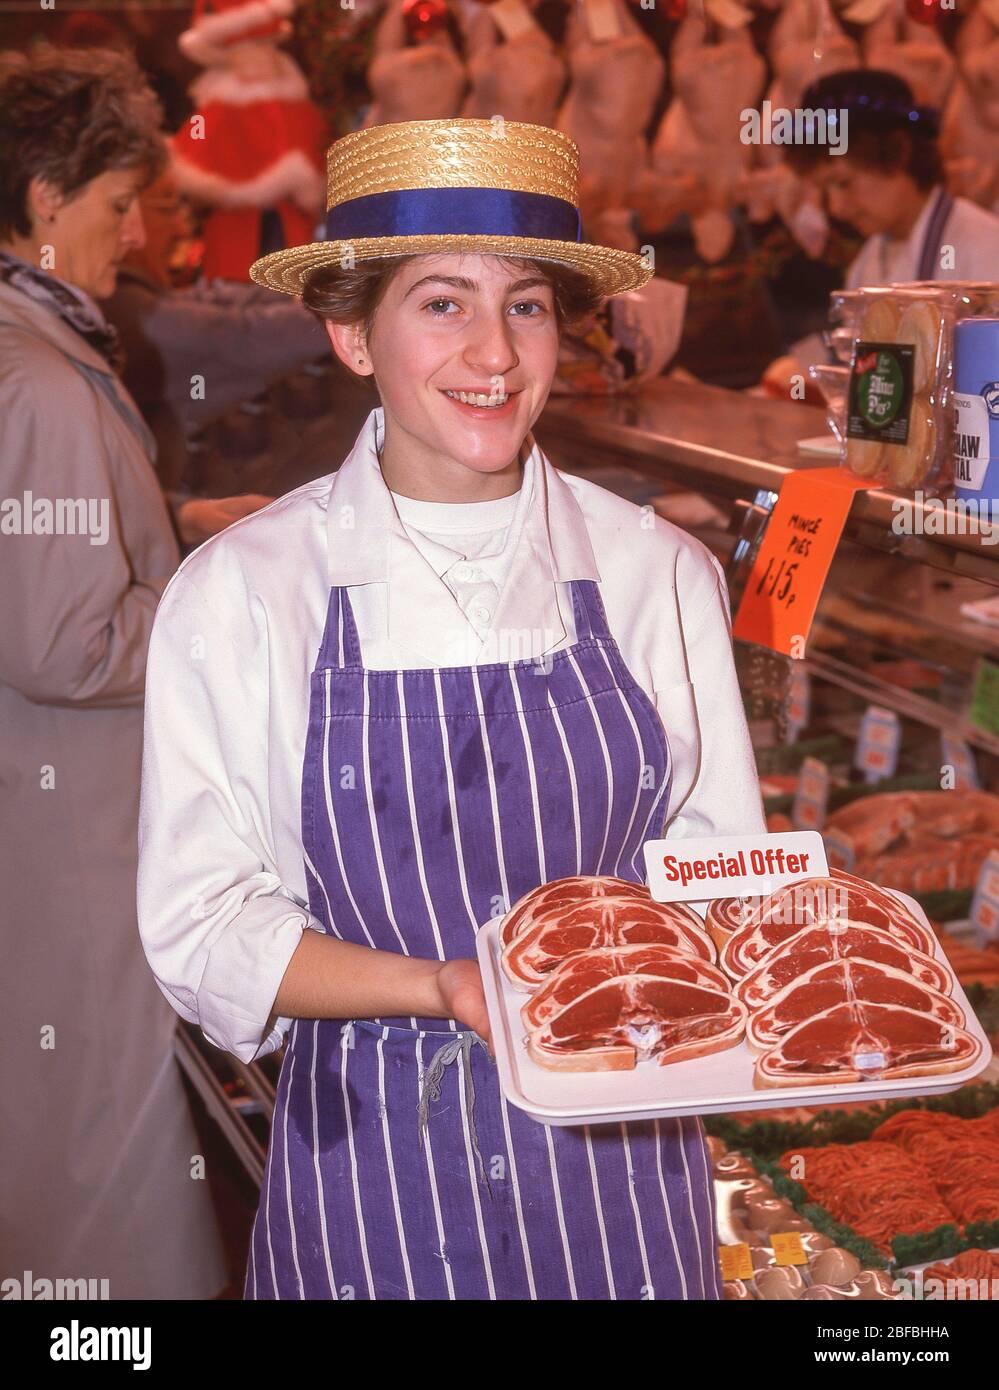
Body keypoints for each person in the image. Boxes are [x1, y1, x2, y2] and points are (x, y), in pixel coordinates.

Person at [137, 117, 765, 1301]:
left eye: (526, 304)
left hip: (622, 1156)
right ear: (348, 333)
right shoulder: (246, 593)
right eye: (440, 303)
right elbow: (204, 927)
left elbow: (716, 875)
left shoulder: (657, 573)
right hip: (371, 1159)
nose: (494, 351)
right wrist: (438, 986)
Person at [0, 43, 271, 1297]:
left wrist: (172, 512)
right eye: (119, 204)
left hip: (38, 814)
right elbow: (67, 643)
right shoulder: (44, 377)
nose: (137, 233)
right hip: (72, 822)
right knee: (99, 1163)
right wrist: (217, 596)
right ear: (47, 197)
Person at [102, 168, 327, 490]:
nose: (180, 227)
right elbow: (233, 336)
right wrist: (342, 310)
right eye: (165, 210)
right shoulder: (121, 307)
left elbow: (217, 302)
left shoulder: (131, 293)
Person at [773, 68, 999, 384]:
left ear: (896, 155)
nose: (836, 207)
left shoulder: (984, 245)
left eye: (844, 183)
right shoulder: (868, 259)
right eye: (826, 192)